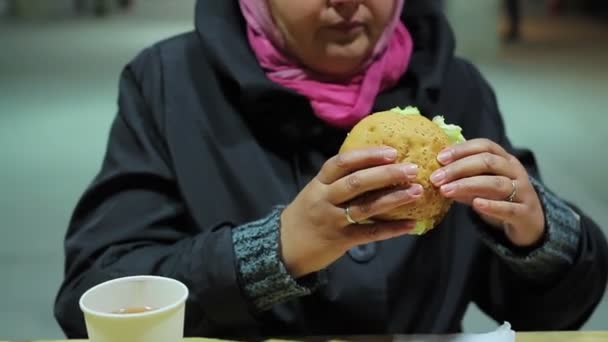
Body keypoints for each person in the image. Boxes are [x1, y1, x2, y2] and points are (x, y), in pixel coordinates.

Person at [54, 0, 608, 339]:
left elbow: (547, 317)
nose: (345, 1)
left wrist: (539, 236)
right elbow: (94, 298)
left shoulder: (454, 87)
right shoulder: (170, 84)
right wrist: (274, 250)